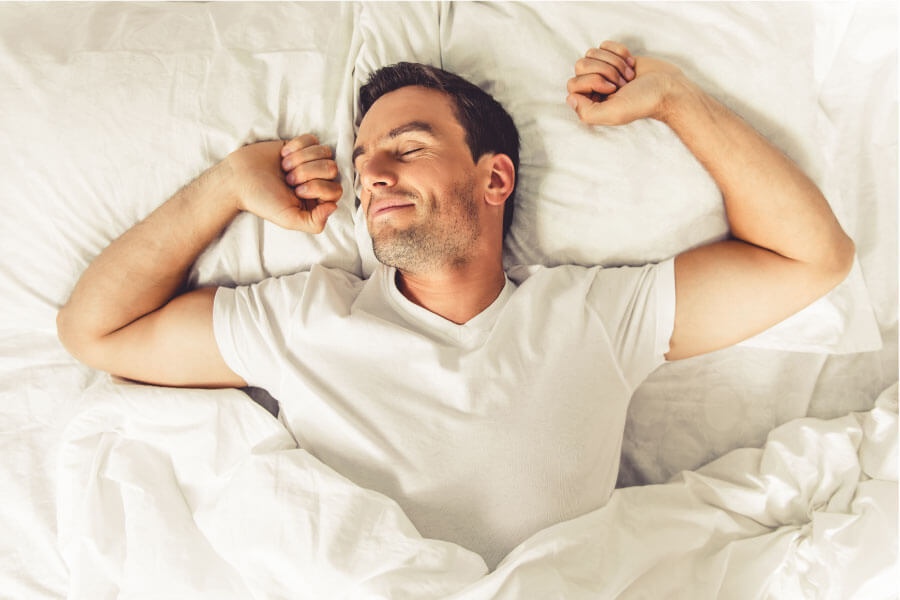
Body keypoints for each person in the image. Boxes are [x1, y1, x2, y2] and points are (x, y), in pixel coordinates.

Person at [56, 41, 855, 569]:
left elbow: (810, 256)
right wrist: (226, 185)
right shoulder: (303, 318)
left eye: (405, 148)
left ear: (494, 179)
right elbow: (96, 329)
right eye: (365, 158)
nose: (371, 175)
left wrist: (677, 99)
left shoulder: (591, 315)